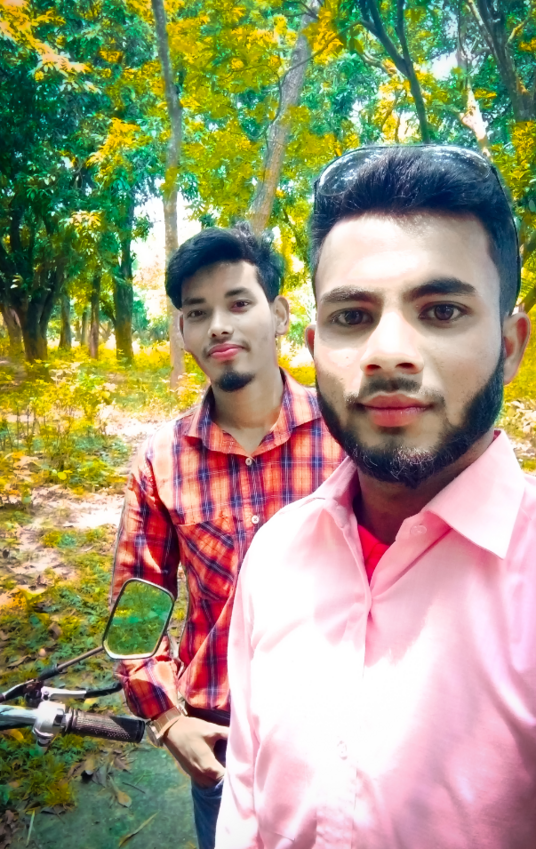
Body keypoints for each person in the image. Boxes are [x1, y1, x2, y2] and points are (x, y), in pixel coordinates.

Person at [216, 147, 536, 849]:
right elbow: (246, 800)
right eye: (352, 316)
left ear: (510, 345)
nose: (388, 352)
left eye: (442, 311)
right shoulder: (274, 555)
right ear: (315, 346)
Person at [110, 223, 343, 849]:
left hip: (341, 724)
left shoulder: (345, 436)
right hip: (220, 735)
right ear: (183, 331)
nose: (219, 326)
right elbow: (136, 606)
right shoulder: (162, 460)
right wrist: (166, 717)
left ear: (280, 314)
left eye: (239, 303)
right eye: (198, 312)